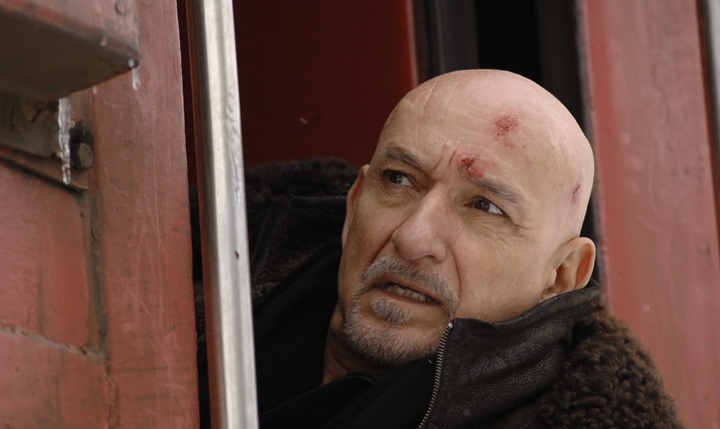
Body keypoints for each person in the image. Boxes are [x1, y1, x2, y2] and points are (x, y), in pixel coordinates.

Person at [195, 70, 684, 428]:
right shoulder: (193, 276)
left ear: (560, 277)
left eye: (485, 207)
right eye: (398, 179)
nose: (413, 238)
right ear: (354, 203)